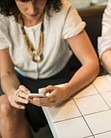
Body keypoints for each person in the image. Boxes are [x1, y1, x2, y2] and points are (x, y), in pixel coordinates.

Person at [0, 0, 99, 137]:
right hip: (20, 81)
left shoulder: (64, 10)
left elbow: (91, 62)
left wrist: (66, 91)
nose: (32, 9)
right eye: (23, 1)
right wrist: (12, 93)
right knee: (4, 108)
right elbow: (6, 72)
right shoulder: (2, 18)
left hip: (59, 80)